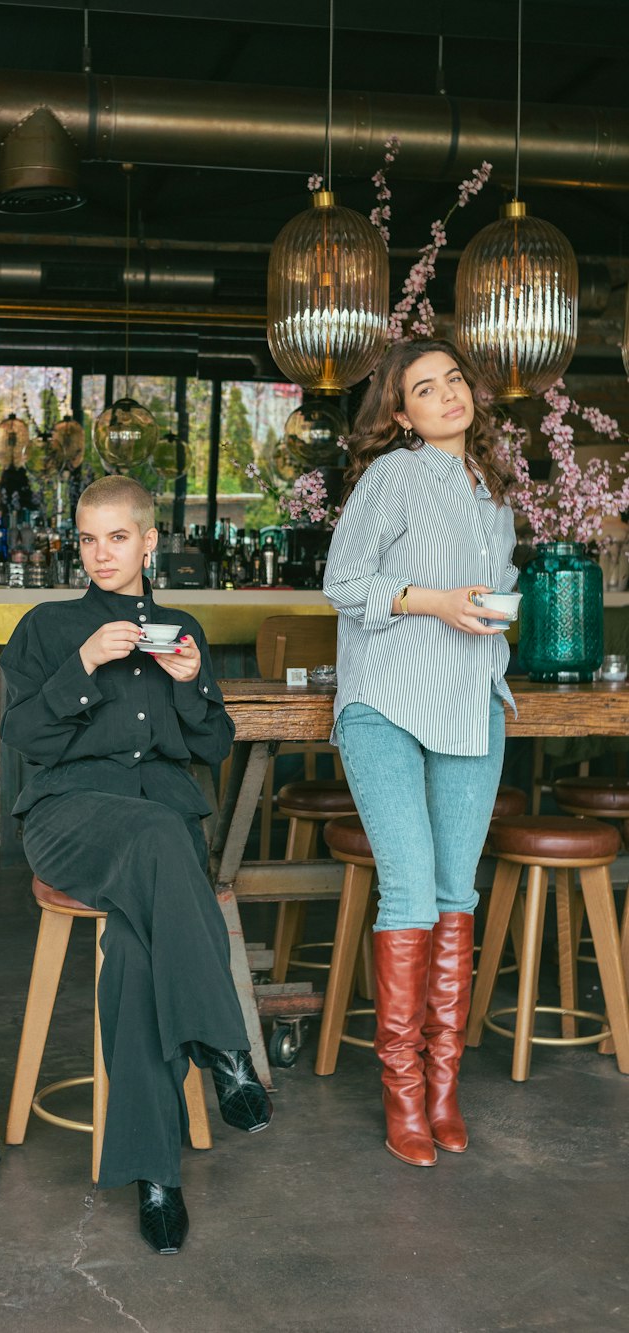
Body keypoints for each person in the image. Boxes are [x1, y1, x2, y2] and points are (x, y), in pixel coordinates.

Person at [0, 474, 271, 1254]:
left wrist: (189, 688)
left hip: (158, 834)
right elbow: (24, 736)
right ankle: (226, 1050)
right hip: (71, 818)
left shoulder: (180, 628)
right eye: (88, 539)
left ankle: (158, 1176)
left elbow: (212, 745)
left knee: (141, 954)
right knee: (159, 833)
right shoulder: (49, 628)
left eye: (118, 537)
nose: (101, 553)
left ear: (150, 542)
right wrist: (82, 665)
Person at [323, 337, 518, 1168]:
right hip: (387, 701)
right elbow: (341, 582)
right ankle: (404, 1092)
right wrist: (433, 600)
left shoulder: (493, 491)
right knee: (407, 887)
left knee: (453, 890)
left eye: (453, 382)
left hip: (473, 703)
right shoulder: (394, 474)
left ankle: (445, 1088)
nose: (446, 397)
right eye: (424, 389)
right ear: (400, 412)